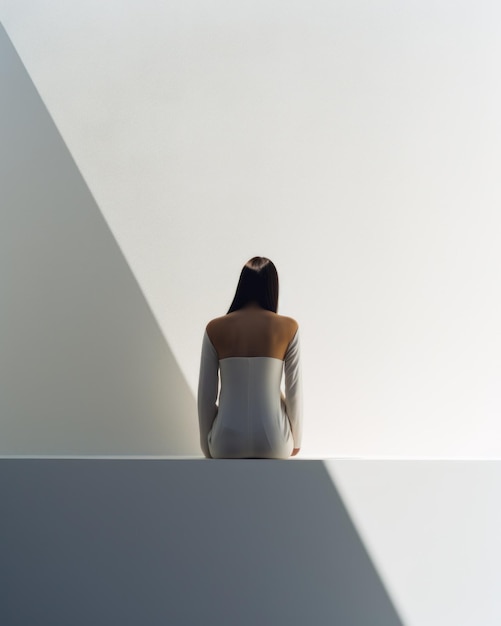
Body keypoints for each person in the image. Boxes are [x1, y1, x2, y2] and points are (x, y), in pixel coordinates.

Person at [197, 256, 302, 459]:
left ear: (242, 285)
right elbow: (294, 392)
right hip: (275, 442)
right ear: (273, 287)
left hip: (225, 443)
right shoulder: (289, 328)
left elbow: (205, 397)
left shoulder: (215, 328)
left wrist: (206, 445)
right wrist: (296, 441)